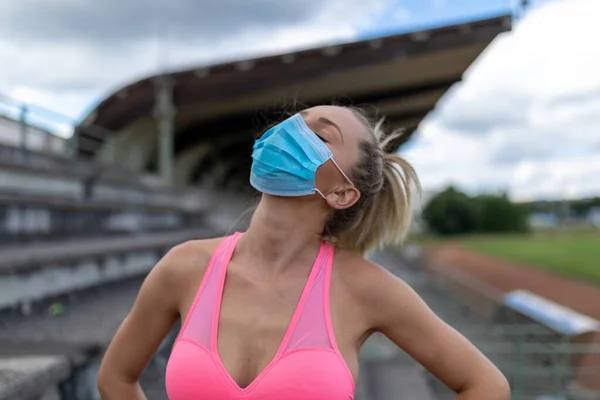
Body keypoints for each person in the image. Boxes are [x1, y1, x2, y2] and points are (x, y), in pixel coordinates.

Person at [97, 105, 510, 400]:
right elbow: (115, 377)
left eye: (319, 133)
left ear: (342, 192)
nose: (289, 132)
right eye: (295, 121)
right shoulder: (184, 266)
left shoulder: (365, 288)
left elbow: (486, 385)